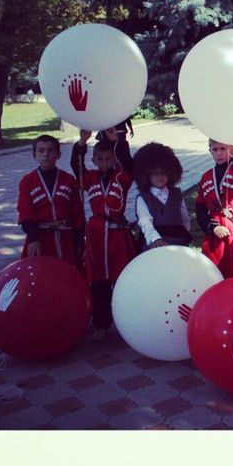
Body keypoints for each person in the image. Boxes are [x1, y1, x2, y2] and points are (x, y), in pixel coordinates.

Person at [71, 127, 136, 339]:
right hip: (97, 235)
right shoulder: (89, 178)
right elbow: (76, 166)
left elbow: (128, 163)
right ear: (94, 159)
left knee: (123, 280)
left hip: (118, 236)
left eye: (108, 158)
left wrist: (116, 141)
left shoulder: (122, 178)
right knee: (98, 281)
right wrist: (82, 142)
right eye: (100, 158)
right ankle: (101, 323)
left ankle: (128, 322)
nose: (105, 162)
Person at [17, 135, 85, 268]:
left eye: (50, 150)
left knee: (67, 274)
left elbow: (77, 212)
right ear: (34, 155)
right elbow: (25, 211)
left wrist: (79, 240)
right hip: (41, 239)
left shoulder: (68, 180)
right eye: (41, 151)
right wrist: (33, 238)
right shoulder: (28, 181)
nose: (46, 154)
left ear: (58, 154)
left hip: (66, 238)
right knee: (41, 276)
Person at [196, 140, 233, 277]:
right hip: (217, 227)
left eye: (223, 149)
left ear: (231, 148)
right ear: (210, 150)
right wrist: (212, 227)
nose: (219, 153)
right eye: (215, 149)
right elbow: (200, 207)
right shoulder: (206, 176)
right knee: (216, 266)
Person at [133, 142, 192, 250]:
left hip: (177, 241)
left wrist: (184, 233)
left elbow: (185, 219)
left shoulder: (176, 195)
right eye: (155, 173)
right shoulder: (143, 198)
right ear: (146, 175)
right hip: (153, 244)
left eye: (164, 172)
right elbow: (145, 222)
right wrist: (156, 239)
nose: (160, 176)